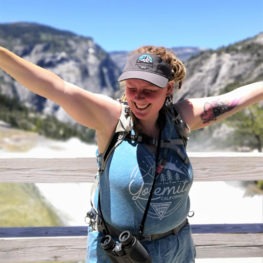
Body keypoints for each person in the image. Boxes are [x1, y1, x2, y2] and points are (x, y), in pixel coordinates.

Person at [0, 45, 262, 263]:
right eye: (131, 89)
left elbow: (235, 98)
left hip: (177, 248)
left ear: (169, 89)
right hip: (119, 253)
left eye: (150, 90)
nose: (139, 98)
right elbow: (55, 87)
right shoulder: (111, 119)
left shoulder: (181, 118)